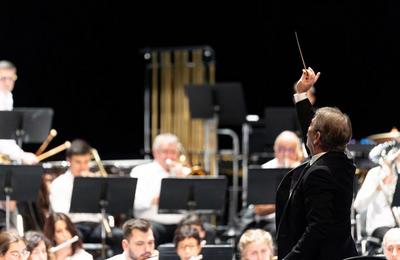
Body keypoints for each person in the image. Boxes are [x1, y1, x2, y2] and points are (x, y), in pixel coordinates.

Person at [275, 67, 357, 259]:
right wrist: (301, 93)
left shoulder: (319, 173)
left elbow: (318, 229)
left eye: (311, 127)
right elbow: (310, 131)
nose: (307, 129)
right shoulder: (343, 161)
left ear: (317, 137)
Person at [49, 139, 122, 254]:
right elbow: (61, 213)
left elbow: (108, 207)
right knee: (70, 239)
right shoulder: (59, 183)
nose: (83, 167)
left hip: (96, 225)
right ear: (69, 161)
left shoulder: (96, 180)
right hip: (74, 225)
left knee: (119, 236)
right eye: (78, 162)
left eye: (86, 162)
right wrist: (82, 190)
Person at [130, 133, 189, 245]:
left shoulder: (184, 172)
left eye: (173, 152)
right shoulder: (141, 171)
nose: (170, 156)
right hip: (153, 223)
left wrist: (182, 179)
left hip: (181, 224)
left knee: (206, 230)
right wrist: (157, 198)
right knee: (147, 234)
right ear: (155, 152)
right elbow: (135, 203)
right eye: (166, 152)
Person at [353, 150, 399, 240]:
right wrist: (378, 188)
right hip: (379, 225)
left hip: (396, 225)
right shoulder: (375, 174)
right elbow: (358, 206)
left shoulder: (397, 175)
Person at [0, 60, 37, 164]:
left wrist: (21, 154)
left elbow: (7, 135)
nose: (8, 83)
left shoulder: (8, 96)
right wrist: (21, 156)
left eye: (11, 78)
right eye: (3, 78)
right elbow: (2, 139)